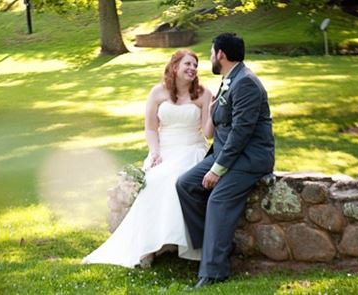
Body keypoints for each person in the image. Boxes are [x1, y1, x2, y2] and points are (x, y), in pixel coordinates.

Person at [82, 49, 214, 268]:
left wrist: (214, 110)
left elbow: (208, 133)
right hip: (164, 151)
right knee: (153, 182)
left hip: (192, 149)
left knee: (175, 181)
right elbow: (151, 129)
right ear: (174, 67)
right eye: (187, 64)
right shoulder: (158, 93)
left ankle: (179, 243)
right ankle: (148, 246)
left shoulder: (203, 94)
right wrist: (155, 152)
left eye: (195, 65)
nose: (192, 69)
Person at [176, 33, 275, 288]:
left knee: (218, 199)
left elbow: (241, 134)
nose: (209, 58)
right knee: (186, 184)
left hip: (249, 158)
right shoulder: (230, 80)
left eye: (211, 53)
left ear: (220, 54)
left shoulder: (246, 83)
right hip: (224, 153)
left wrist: (217, 170)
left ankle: (212, 272)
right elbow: (220, 124)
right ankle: (213, 248)